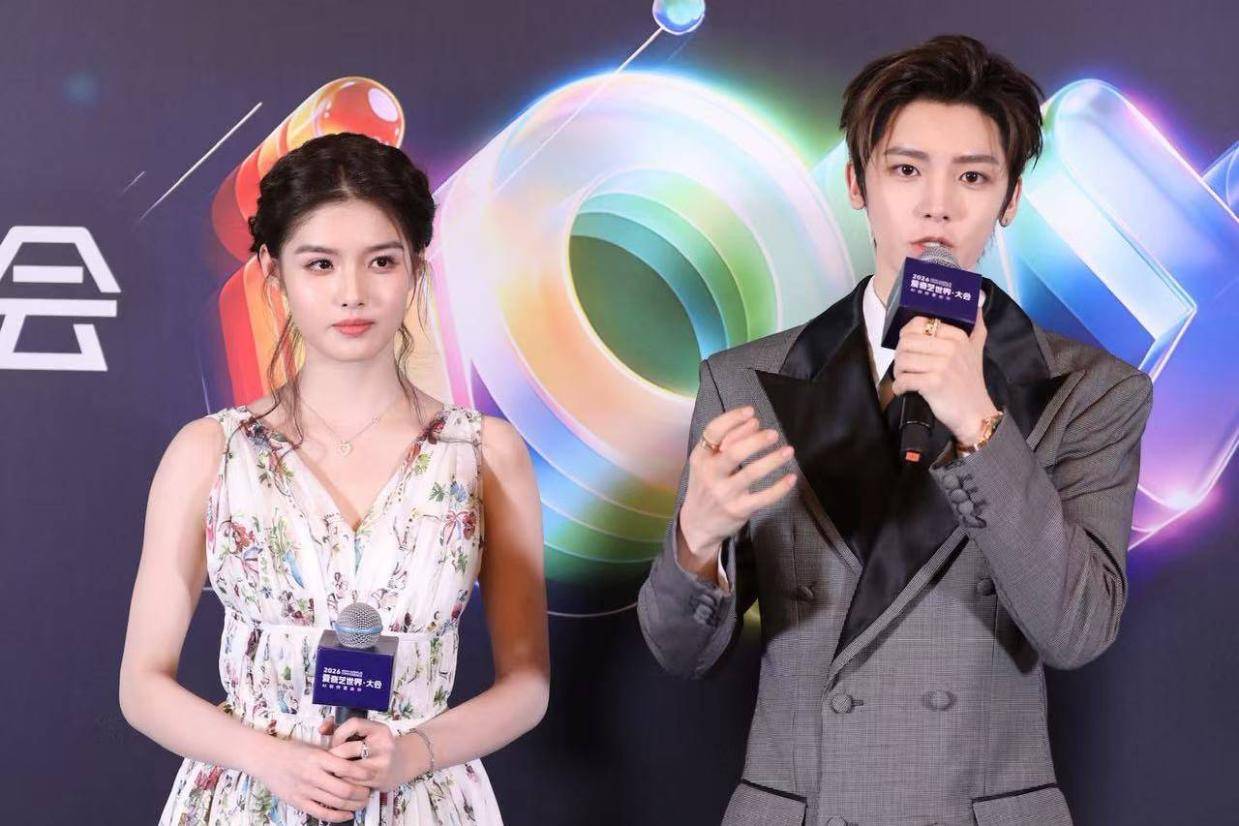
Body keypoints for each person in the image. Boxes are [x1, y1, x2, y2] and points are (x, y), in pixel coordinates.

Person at [638, 35, 1154, 826]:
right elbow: (680, 653)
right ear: (857, 182)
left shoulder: (1093, 392)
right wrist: (696, 541)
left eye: (972, 177)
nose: (936, 206)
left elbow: (1077, 630)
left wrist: (979, 425)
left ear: (1010, 199)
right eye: (906, 170)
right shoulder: (742, 382)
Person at [119, 132, 549, 824]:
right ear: (273, 272)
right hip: (250, 798)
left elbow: (527, 683)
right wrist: (272, 760)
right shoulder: (210, 453)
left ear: (416, 268)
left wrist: (412, 754)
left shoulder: (483, 453)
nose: (353, 293)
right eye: (320, 264)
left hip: (420, 797)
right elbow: (142, 686)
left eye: (381, 261)